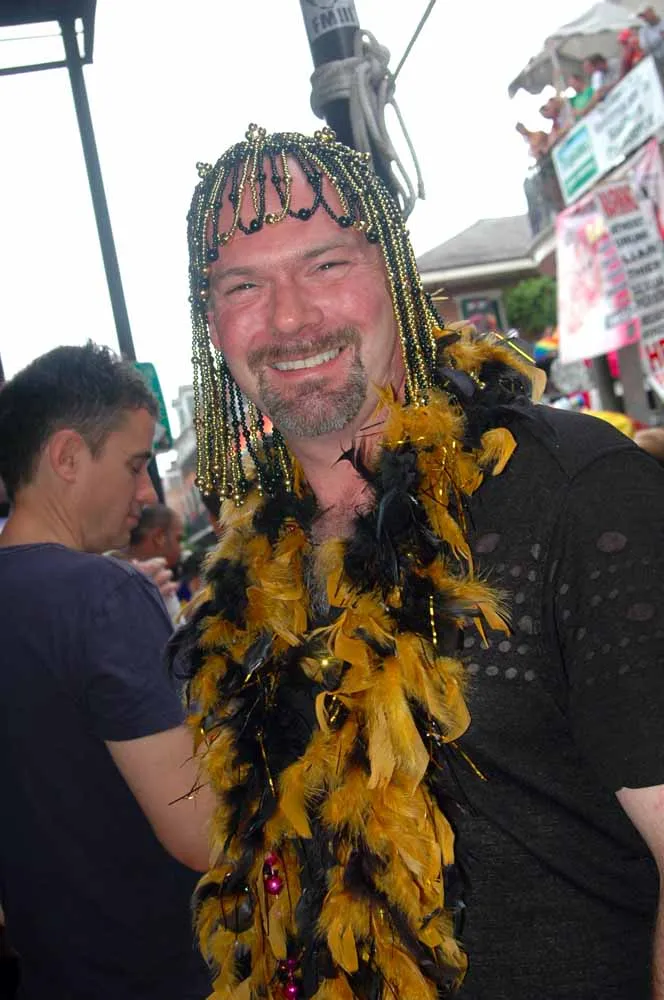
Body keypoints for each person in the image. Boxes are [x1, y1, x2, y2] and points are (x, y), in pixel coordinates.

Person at [173, 126, 664, 999]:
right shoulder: (242, 582)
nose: (289, 318)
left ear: (395, 273)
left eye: (326, 264)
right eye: (243, 285)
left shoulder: (574, 495)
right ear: (212, 322)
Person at [0, 343, 213, 1000]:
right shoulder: (105, 596)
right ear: (67, 456)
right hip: (156, 973)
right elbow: (203, 834)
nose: (146, 493)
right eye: (135, 465)